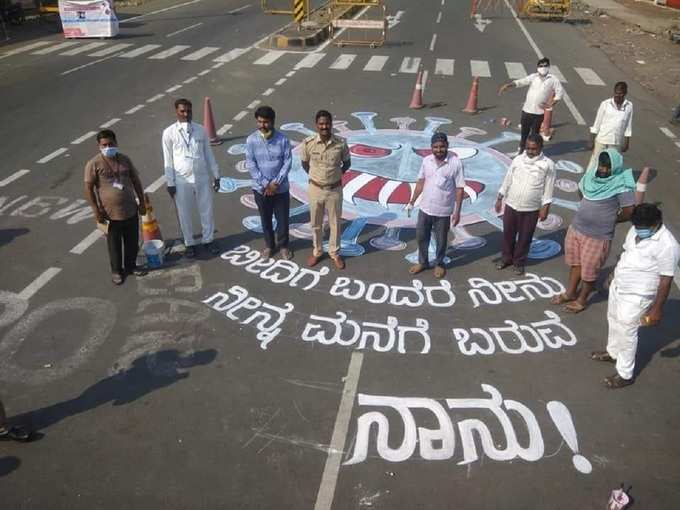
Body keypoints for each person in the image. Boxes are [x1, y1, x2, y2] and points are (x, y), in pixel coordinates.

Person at [591, 203, 680, 389]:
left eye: (643, 228)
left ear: (656, 223)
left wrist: (656, 310)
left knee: (627, 331)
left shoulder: (668, 245)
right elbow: (626, 252)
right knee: (613, 319)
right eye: (636, 226)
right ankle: (613, 352)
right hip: (619, 285)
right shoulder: (636, 229)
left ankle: (625, 373)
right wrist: (613, 274)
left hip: (638, 294)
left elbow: (666, 279)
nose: (639, 231)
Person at [551, 149, 635, 313]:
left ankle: (582, 300)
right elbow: (581, 191)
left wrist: (610, 219)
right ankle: (570, 293)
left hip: (598, 237)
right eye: (602, 166)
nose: (603, 170)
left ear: (615, 168)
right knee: (575, 265)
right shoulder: (591, 176)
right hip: (576, 229)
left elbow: (629, 211)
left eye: (607, 167)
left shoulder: (622, 185)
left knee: (589, 273)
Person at [84, 129, 146, 285]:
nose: (108, 147)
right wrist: (96, 210)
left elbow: (136, 181)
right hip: (110, 214)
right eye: (104, 145)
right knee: (114, 245)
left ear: (116, 143)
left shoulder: (125, 160)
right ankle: (117, 271)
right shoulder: (94, 164)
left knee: (132, 242)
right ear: (99, 146)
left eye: (110, 144)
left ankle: (131, 266)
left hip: (130, 209)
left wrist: (142, 203)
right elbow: (88, 189)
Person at [162, 98, 221, 258]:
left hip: (201, 177)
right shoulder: (169, 133)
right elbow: (168, 159)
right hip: (182, 181)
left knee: (206, 210)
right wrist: (170, 182)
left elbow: (208, 153)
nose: (186, 114)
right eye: (182, 111)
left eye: (189, 110)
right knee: (184, 213)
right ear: (176, 112)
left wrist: (216, 174)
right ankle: (189, 243)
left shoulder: (201, 130)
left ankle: (208, 240)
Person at [406, 132, 465, 279]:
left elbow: (459, 188)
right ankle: (423, 262)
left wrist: (457, 211)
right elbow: (420, 181)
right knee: (421, 237)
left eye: (442, 147)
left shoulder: (456, 163)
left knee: (441, 239)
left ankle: (439, 263)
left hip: (443, 210)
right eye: (435, 147)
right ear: (431, 147)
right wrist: (412, 201)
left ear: (447, 146)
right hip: (425, 208)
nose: (439, 150)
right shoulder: (426, 161)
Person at [495, 134, 556, 275]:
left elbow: (549, 188)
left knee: (525, 237)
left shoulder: (548, 165)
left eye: (533, 149)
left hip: (531, 208)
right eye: (528, 148)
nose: (530, 151)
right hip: (511, 204)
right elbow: (508, 178)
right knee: (508, 235)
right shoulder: (518, 160)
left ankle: (519, 262)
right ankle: (506, 258)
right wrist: (500, 197)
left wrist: (545, 207)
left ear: (541, 148)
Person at [300, 110, 351, 270]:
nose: (324, 127)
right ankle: (317, 251)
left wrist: (334, 176)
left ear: (331, 124)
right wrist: (318, 178)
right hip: (315, 189)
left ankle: (334, 253)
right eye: (321, 124)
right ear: (316, 125)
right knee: (316, 223)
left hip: (334, 190)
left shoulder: (340, 143)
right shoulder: (308, 143)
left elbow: (347, 163)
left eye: (327, 123)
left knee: (335, 223)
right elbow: (305, 164)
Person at [245, 106, 293, 260]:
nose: (262, 125)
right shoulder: (251, 140)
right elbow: (251, 164)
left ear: (272, 121)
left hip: (281, 189)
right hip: (261, 189)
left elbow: (287, 163)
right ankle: (269, 246)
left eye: (265, 122)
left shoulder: (283, 140)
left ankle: (284, 246)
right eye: (259, 122)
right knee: (265, 220)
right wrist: (266, 184)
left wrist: (275, 184)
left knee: (283, 220)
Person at [498, 57, 564, 155]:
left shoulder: (553, 80)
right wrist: (508, 85)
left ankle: (534, 151)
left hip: (539, 113)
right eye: (541, 66)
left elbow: (560, 92)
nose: (543, 67)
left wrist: (552, 103)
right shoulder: (534, 77)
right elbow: (521, 82)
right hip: (527, 111)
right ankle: (521, 149)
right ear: (537, 67)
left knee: (534, 134)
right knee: (524, 132)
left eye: (545, 65)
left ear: (549, 67)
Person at [588, 82, 633, 170]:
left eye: (620, 93)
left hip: (616, 142)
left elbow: (628, 125)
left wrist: (627, 142)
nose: (617, 95)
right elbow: (596, 123)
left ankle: (607, 183)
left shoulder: (629, 106)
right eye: (616, 92)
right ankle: (586, 182)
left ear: (625, 93)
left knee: (611, 166)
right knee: (594, 163)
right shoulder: (605, 104)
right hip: (602, 140)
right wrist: (591, 140)